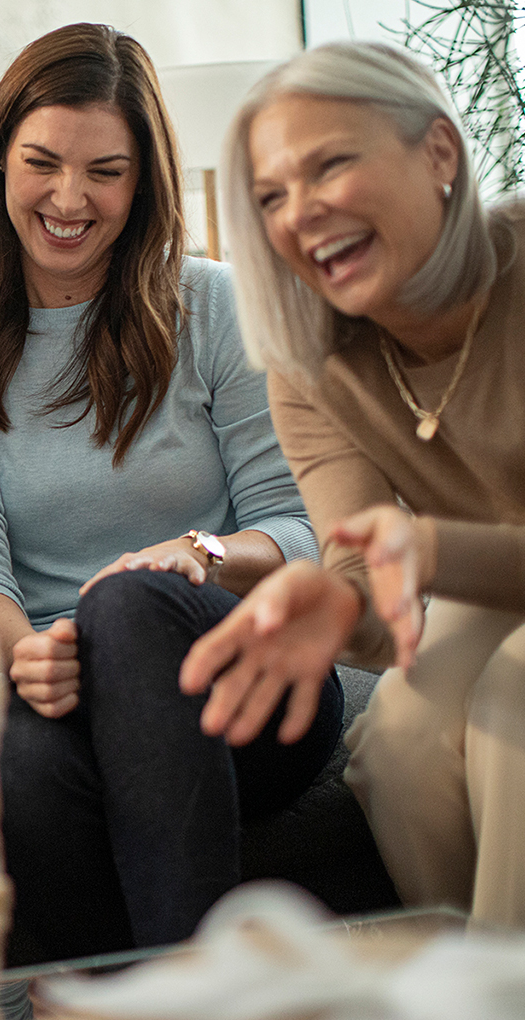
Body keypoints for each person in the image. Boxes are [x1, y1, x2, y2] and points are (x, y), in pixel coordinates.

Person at [0, 22, 343, 964]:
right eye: (41, 163)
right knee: (16, 762)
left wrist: (202, 557)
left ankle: (191, 987)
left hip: (243, 675)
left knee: (130, 603)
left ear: (143, 184)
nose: (69, 198)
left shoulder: (216, 306)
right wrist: (27, 657)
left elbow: (298, 525)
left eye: (106, 170)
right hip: (56, 686)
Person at [181, 40, 525, 929]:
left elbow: (424, 554)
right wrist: (338, 605)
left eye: (330, 164)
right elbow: (369, 583)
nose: (300, 213)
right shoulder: (309, 363)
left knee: (512, 707)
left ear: (439, 153)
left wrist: (432, 551)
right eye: (270, 197)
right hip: (483, 573)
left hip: (476, 564)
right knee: (397, 746)